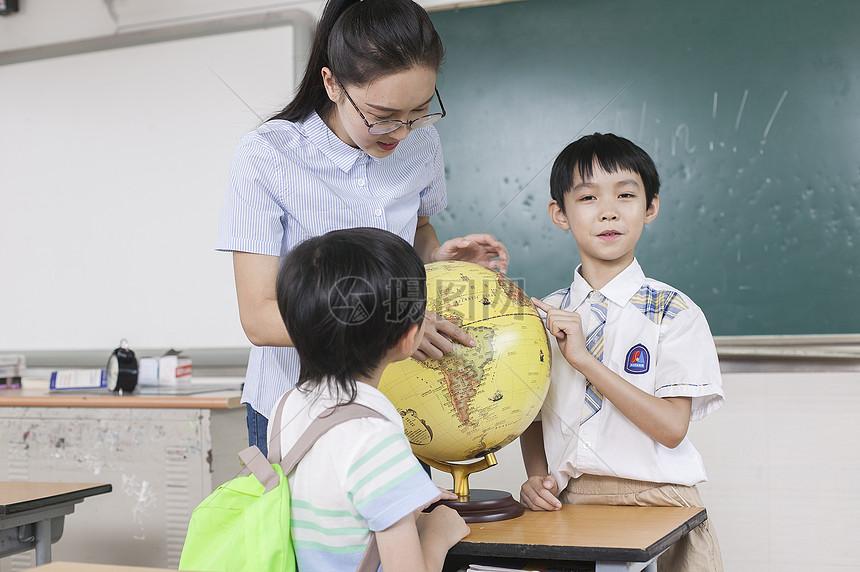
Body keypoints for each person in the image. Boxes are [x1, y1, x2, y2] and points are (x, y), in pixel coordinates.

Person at [215, 0, 508, 454]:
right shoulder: (268, 155)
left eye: (420, 111)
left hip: (400, 403)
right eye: (382, 115)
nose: (401, 133)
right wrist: (390, 323)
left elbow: (418, 230)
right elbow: (259, 318)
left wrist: (435, 257)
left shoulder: (422, 143)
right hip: (295, 408)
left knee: (405, 526)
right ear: (332, 84)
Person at [519, 133, 725, 570]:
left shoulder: (674, 312)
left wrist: (586, 362)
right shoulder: (544, 315)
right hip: (569, 505)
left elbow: (672, 428)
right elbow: (531, 416)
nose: (608, 211)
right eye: (588, 197)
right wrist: (537, 478)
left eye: (626, 195)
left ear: (650, 207)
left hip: (657, 503)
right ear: (560, 213)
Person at [270, 227, 470, 571]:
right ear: (409, 338)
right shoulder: (375, 440)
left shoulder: (286, 407)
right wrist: (437, 532)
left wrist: (400, 499)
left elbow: (336, 517)